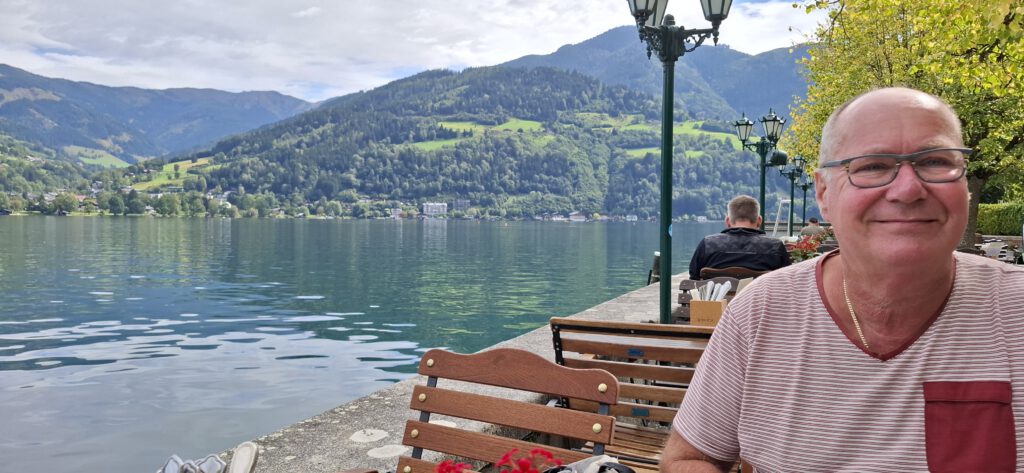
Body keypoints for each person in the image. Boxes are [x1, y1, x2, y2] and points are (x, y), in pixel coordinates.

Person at [662, 87, 1024, 472]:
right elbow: (687, 458)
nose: (907, 189)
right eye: (873, 166)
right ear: (823, 193)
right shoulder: (761, 312)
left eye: (935, 161)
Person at [687, 195, 790, 280]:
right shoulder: (775, 247)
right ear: (759, 221)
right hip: (759, 300)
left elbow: (694, 279)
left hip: (717, 299)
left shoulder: (707, 244)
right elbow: (786, 282)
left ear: (728, 221)